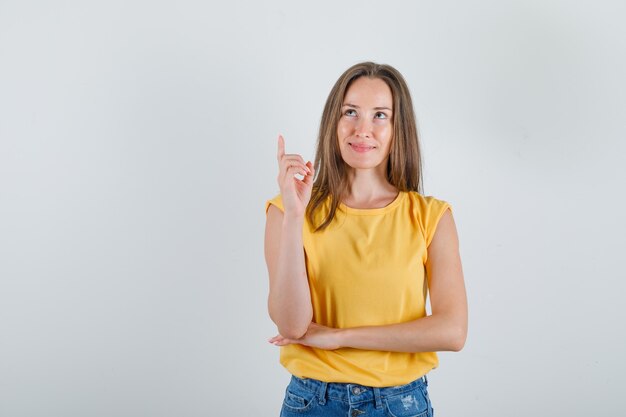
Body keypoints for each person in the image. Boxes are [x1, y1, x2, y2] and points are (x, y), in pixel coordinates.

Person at [264, 61, 468, 417]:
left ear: (397, 128)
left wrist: (341, 337)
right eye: (351, 112)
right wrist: (297, 217)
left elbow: (453, 331)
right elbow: (291, 325)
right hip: (312, 402)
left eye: (379, 115)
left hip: (401, 404)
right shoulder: (286, 210)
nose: (362, 129)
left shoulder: (431, 216)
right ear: (334, 120)